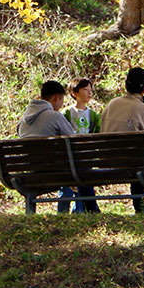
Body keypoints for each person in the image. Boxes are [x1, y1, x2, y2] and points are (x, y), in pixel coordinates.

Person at [101, 66, 144, 213]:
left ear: (126, 85)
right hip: (133, 165)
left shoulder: (111, 104)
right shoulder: (143, 109)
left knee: (136, 160)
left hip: (107, 161)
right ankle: (142, 207)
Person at [17, 80, 76, 212]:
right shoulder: (55, 116)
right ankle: (89, 209)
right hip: (55, 171)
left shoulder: (23, 121)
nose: (61, 105)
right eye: (61, 100)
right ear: (56, 98)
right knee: (74, 167)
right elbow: (74, 141)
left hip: (31, 173)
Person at [61, 77, 101, 213]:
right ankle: (65, 212)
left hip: (84, 158)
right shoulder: (66, 113)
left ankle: (78, 211)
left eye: (90, 90)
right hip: (71, 157)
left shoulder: (93, 115)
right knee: (68, 187)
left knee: (80, 185)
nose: (89, 93)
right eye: (85, 90)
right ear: (75, 93)